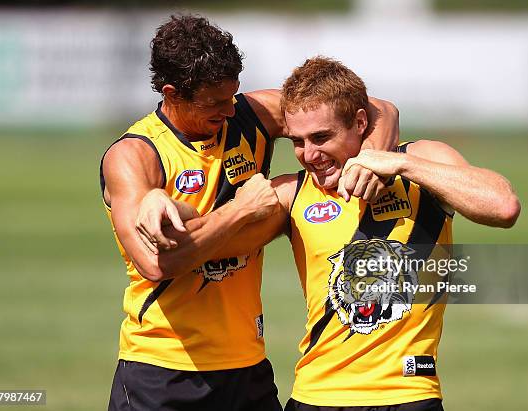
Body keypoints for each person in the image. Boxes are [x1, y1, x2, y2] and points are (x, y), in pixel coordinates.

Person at [138, 56, 520, 410]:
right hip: (315, 397)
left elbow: (502, 206)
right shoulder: (294, 193)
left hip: (408, 394)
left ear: (358, 123)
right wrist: (159, 199)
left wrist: (399, 163)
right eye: (298, 142)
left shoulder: (422, 160)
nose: (309, 154)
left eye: (321, 138)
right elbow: (202, 234)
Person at [100, 14, 399, 411]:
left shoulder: (248, 114)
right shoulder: (134, 156)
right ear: (172, 93)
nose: (229, 111)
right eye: (214, 103)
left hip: (248, 366)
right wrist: (243, 210)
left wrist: (371, 160)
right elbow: (155, 262)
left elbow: (377, 109)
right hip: (162, 370)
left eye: (233, 95)